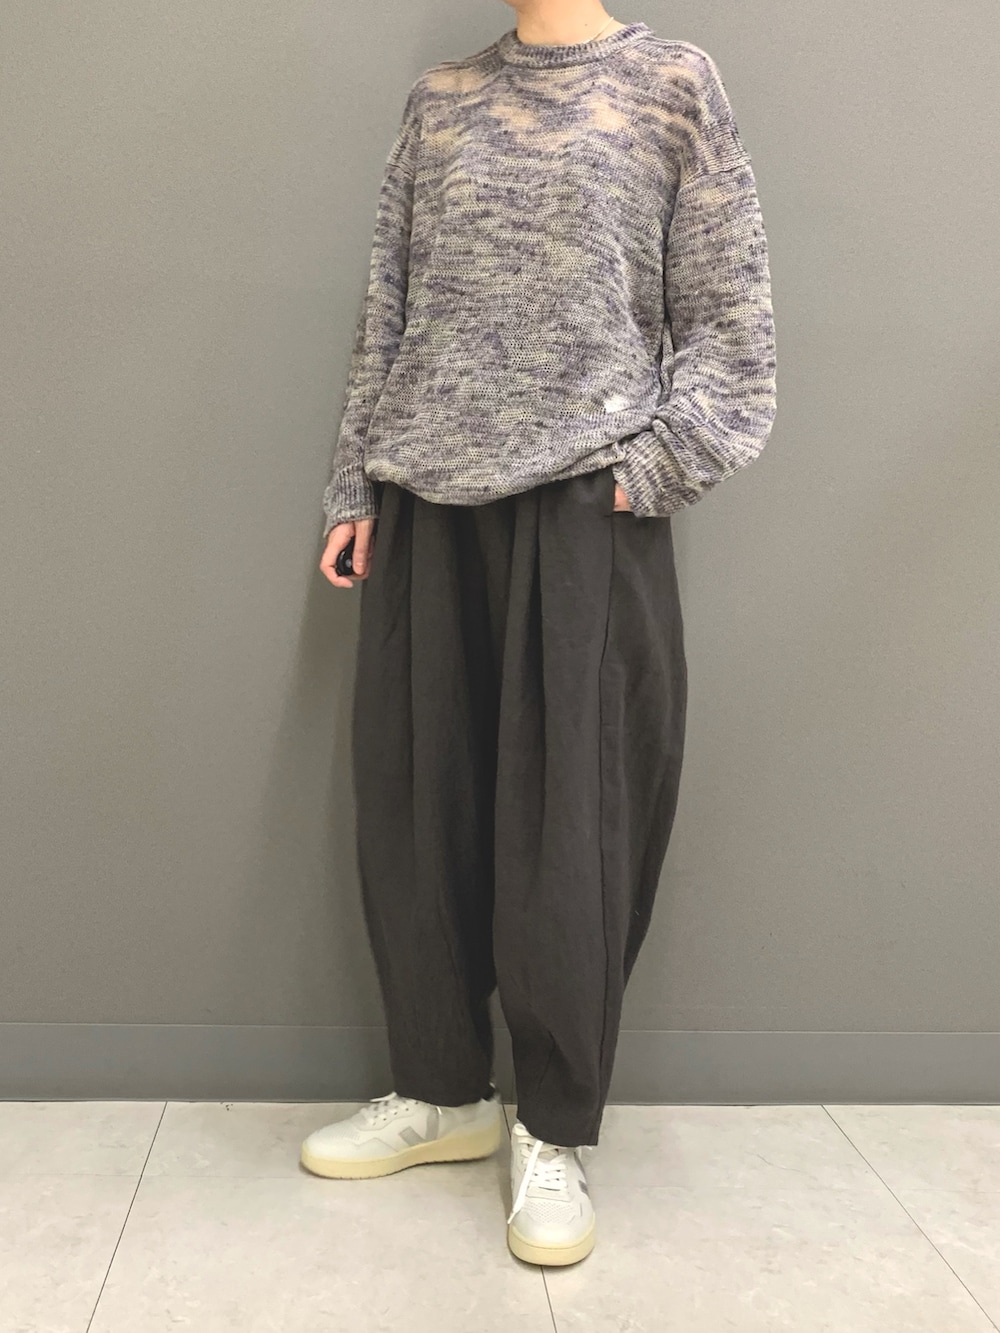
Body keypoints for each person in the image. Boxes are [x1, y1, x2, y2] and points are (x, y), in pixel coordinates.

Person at [303, 0, 776, 1267]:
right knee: (421, 810)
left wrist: (650, 470)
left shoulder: (672, 83)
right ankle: (443, 1091)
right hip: (424, 494)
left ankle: (553, 1124)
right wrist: (354, 485)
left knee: (573, 825)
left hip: (581, 504)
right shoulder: (440, 99)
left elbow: (730, 322)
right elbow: (387, 308)